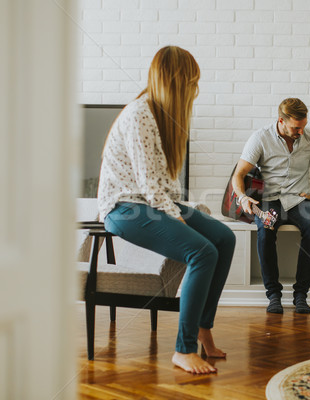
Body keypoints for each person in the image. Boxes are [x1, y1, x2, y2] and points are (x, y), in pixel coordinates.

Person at [97, 46, 235, 375]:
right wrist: (177, 218)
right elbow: (148, 185)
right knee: (202, 252)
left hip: (147, 202)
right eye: (192, 82)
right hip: (123, 206)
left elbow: (163, 184)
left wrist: (186, 211)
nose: (195, 90)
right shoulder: (139, 114)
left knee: (224, 238)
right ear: (176, 81)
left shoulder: (160, 117)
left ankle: (203, 327)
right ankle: (183, 349)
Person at [232, 98, 310, 314]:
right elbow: (238, 175)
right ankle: (273, 295)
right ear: (281, 121)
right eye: (297, 127)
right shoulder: (260, 138)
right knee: (265, 231)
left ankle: (301, 294)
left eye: (303, 126)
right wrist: (242, 197)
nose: (301, 131)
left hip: (299, 199)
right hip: (270, 199)